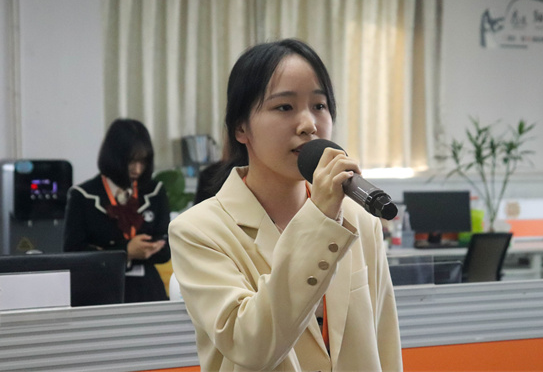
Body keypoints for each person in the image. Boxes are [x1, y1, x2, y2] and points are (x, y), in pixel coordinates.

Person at [169, 39, 402, 371]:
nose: (309, 124)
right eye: (284, 107)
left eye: (319, 105)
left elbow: (384, 343)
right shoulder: (198, 231)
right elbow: (250, 346)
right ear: (240, 127)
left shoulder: (358, 219)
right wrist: (320, 220)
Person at [64, 118, 171, 303]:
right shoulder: (83, 195)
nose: (137, 169)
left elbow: (166, 249)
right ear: (114, 157)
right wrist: (125, 252)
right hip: (99, 291)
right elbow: (73, 253)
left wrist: (145, 249)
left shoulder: (155, 191)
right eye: (131, 162)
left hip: (146, 291)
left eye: (143, 162)